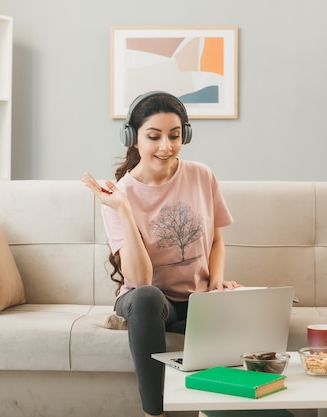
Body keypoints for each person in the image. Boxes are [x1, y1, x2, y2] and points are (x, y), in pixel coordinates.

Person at [82, 91, 240, 417]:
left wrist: (217, 284)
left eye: (175, 135)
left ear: (186, 134)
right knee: (146, 298)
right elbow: (140, 280)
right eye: (154, 136)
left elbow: (216, 241)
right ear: (133, 138)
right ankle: (154, 413)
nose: (166, 146)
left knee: (241, 310)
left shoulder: (201, 175)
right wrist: (124, 210)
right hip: (150, 301)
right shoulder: (119, 194)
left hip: (197, 300)